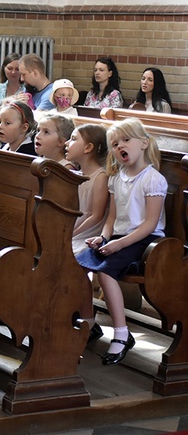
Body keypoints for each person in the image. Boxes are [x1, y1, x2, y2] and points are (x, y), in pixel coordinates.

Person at [76, 118, 166, 366]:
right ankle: (89, 323)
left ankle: (122, 334)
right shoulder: (117, 178)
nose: (120, 147)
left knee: (105, 273)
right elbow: (112, 218)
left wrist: (119, 244)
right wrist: (104, 237)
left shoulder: (153, 179)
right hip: (119, 236)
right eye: (115, 144)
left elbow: (149, 224)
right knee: (77, 265)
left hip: (146, 241)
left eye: (126, 140)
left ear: (144, 143)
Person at [65, 124, 109, 256]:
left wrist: (70, 234)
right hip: (74, 228)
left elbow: (96, 216)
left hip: (87, 233)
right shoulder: (76, 175)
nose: (67, 143)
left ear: (88, 147)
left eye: (73, 139)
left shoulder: (100, 177)